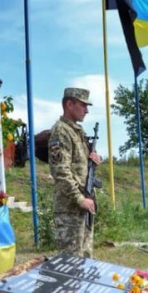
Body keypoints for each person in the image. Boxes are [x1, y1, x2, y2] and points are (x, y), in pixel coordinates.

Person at [48, 87, 102, 258]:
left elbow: (77, 167)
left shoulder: (77, 132)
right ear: (69, 104)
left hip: (83, 207)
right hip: (70, 208)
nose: (86, 110)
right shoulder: (61, 130)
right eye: (83, 105)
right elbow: (60, 171)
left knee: (85, 261)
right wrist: (79, 199)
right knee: (70, 265)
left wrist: (91, 160)